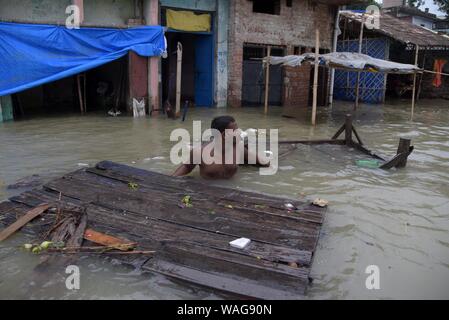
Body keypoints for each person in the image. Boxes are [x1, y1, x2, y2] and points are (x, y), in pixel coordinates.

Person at [172, 116, 268, 179]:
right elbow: (187, 167)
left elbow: (262, 162)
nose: (239, 133)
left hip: (232, 192)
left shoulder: (239, 148)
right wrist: (171, 180)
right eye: (235, 131)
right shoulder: (199, 152)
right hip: (207, 192)